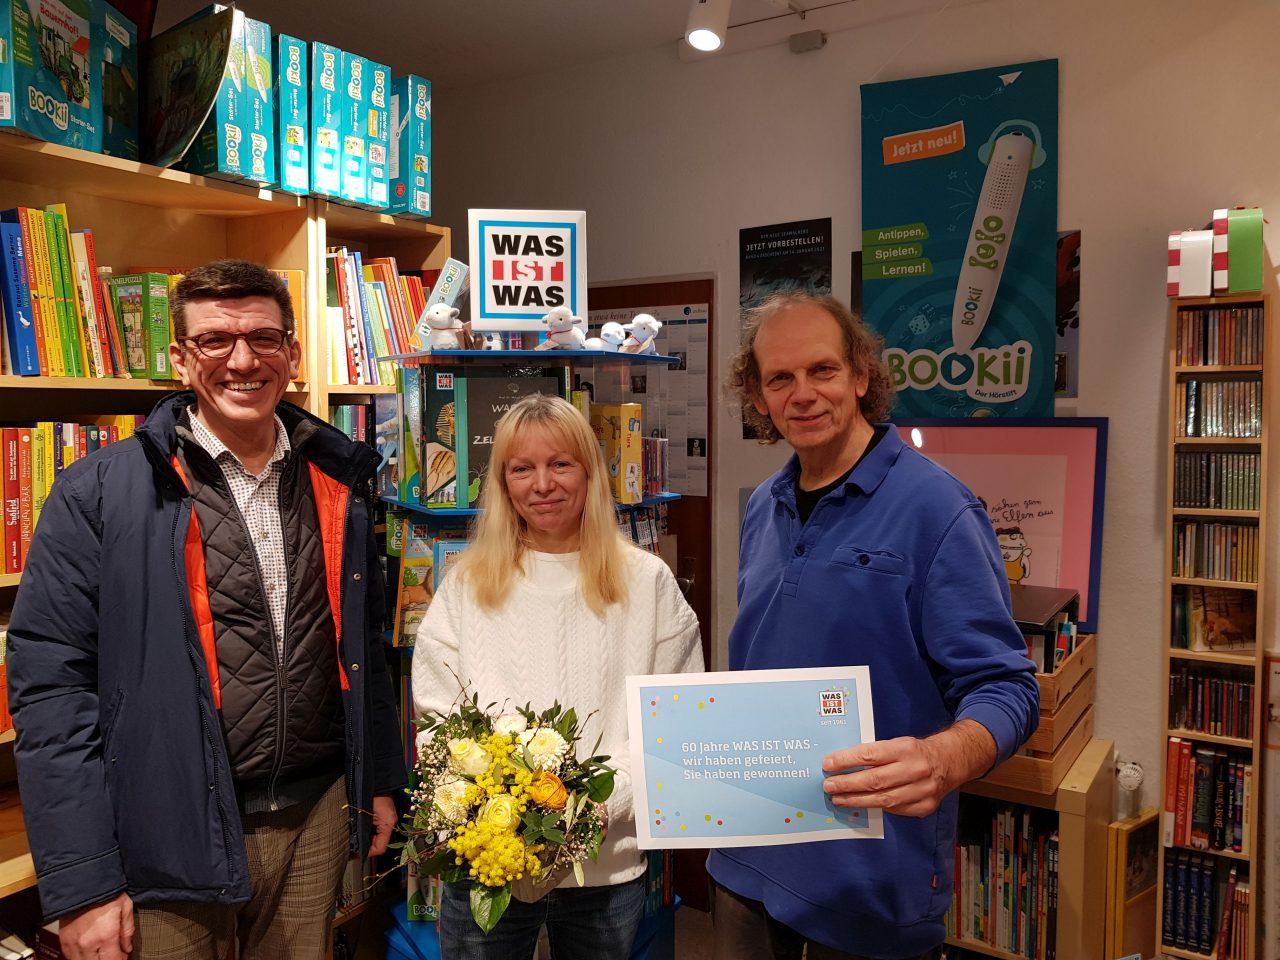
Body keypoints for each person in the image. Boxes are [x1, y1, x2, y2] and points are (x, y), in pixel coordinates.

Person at [8, 259, 404, 960]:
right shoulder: (97, 492)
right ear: (180, 359)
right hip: (165, 829)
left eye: (263, 338)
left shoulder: (339, 476)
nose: (242, 360)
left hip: (314, 818)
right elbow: (51, 692)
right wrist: (83, 885)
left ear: (292, 353)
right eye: (216, 340)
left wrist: (375, 780)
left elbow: (361, 651)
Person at [709, 292, 1040, 960]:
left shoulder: (937, 509)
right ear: (758, 395)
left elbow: (1009, 688)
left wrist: (942, 757)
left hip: (867, 883)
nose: (803, 394)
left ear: (861, 375)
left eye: (822, 370)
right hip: (748, 858)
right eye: (780, 378)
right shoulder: (764, 507)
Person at [413, 393, 703, 960]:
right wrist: (490, 808)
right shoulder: (466, 583)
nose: (542, 484)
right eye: (522, 468)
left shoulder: (647, 582)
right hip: (487, 865)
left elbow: (678, 721)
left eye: (560, 464)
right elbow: (435, 715)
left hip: (605, 865)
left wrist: (597, 806)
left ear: (591, 474)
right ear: (502, 482)